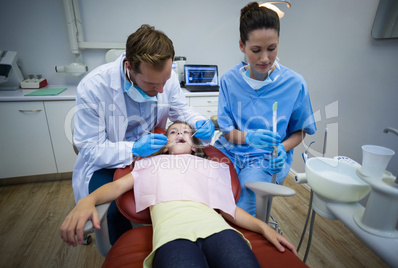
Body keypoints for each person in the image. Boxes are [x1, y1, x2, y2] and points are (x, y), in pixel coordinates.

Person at [60, 121, 297, 268]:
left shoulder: (212, 166)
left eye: (186, 132)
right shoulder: (149, 165)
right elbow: (116, 188)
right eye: (173, 132)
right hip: (172, 237)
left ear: (195, 145)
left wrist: (264, 228)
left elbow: (230, 210)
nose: (180, 133)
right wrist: (87, 199)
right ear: (164, 145)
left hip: (220, 232)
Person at [72, 24, 215, 245]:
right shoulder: (93, 88)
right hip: (109, 159)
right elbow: (90, 149)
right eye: (150, 84)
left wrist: (198, 121)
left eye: (164, 82)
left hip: (153, 155)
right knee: (114, 211)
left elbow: (181, 109)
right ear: (129, 67)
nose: (160, 90)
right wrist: (134, 148)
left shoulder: (165, 77)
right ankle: (122, 249)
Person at [214, 2, 317, 216]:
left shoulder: (294, 84)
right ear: (242, 46)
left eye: (272, 49)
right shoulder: (229, 81)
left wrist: (283, 148)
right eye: (256, 50)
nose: (264, 59)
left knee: (242, 207)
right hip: (229, 151)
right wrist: (249, 137)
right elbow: (226, 130)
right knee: (208, 196)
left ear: (278, 42)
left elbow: (299, 131)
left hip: (265, 158)